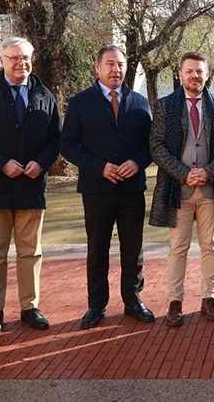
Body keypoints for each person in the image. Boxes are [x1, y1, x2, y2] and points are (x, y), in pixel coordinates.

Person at [0, 37, 60, 336]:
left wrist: (41, 162)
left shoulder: (45, 95)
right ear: (2, 61)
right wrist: (0, 162)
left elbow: (55, 140)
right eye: (14, 58)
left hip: (31, 187)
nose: (21, 63)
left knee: (31, 252)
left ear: (33, 59)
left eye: (26, 57)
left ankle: (30, 307)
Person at [60, 45, 155, 329]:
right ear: (97, 67)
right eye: (110, 64)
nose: (116, 70)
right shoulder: (80, 102)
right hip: (96, 188)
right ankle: (97, 304)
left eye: (121, 64)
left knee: (133, 247)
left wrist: (138, 163)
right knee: (97, 248)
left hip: (132, 188)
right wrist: (98, 167)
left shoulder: (139, 101)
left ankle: (133, 299)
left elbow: (150, 144)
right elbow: (67, 144)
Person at [150, 51, 214, 327]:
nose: (195, 76)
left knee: (210, 247)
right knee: (178, 247)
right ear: (180, 74)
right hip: (178, 189)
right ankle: (175, 302)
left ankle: (209, 299)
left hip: (212, 189)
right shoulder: (165, 106)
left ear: (207, 74)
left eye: (200, 71)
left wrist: (209, 172)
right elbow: (157, 146)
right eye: (189, 71)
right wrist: (185, 174)